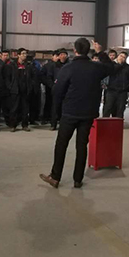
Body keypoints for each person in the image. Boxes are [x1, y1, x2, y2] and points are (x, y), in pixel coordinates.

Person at [39, 39, 114, 189]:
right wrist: (100, 52)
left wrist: (60, 106)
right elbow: (111, 68)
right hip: (88, 113)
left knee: (61, 144)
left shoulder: (68, 68)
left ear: (75, 50)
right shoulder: (96, 67)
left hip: (70, 112)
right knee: (82, 145)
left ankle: (55, 176)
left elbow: (57, 91)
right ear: (89, 50)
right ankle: (78, 179)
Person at [5, 48, 33, 132]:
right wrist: (10, 87)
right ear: (18, 55)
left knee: (25, 109)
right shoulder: (12, 65)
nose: (25, 55)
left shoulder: (28, 65)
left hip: (25, 90)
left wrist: (30, 87)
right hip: (15, 90)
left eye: (26, 54)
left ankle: (25, 125)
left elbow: (32, 77)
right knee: (14, 108)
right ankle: (13, 125)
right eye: (23, 53)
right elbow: (7, 78)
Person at [49, 49, 69, 131]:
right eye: (61, 54)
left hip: (67, 90)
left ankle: (63, 124)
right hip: (57, 89)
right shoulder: (54, 66)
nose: (63, 56)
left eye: (64, 54)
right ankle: (53, 124)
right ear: (58, 56)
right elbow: (49, 77)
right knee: (55, 107)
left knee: (65, 108)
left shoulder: (69, 65)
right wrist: (53, 86)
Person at [40, 51, 58, 125]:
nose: (57, 58)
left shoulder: (61, 66)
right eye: (56, 56)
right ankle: (45, 117)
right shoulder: (47, 66)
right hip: (49, 87)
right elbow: (42, 76)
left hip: (58, 88)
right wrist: (48, 83)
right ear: (52, 56)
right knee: (48, 102)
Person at [0, 49, 13, 127]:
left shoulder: (12, 65)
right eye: (4, 55)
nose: (5, 57)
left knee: (8, 106)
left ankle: (9, 122)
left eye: (6, 55)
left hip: (9, 89)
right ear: (1, 56)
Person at [28, 52, 43, 125]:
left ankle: (33, 119)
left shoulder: (36, 64)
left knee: (34, 104)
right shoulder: (25, 65)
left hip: (35, 87)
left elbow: (39, 74)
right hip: (27, 87)